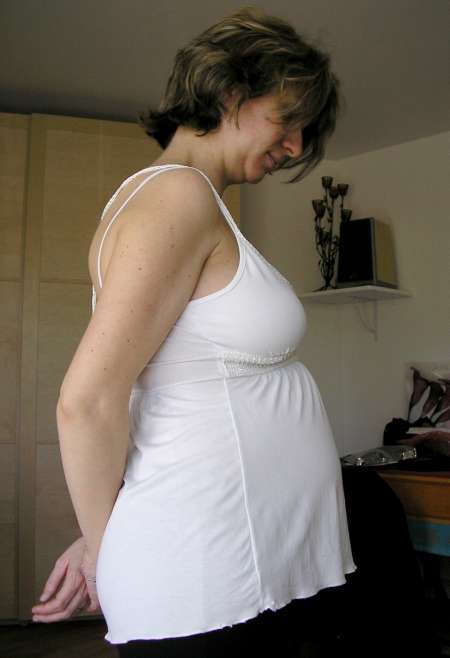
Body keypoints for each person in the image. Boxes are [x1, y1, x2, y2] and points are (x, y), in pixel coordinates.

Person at [31, 6, 356, 656]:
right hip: (213, 579)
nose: (295, 146)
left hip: (246, 565)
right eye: (289, 120)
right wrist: (106, 548)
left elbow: (156, 394)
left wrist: (108, 524)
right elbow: (87, 402)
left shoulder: (186, 200)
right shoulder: (176, 196)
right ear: (232, 90)